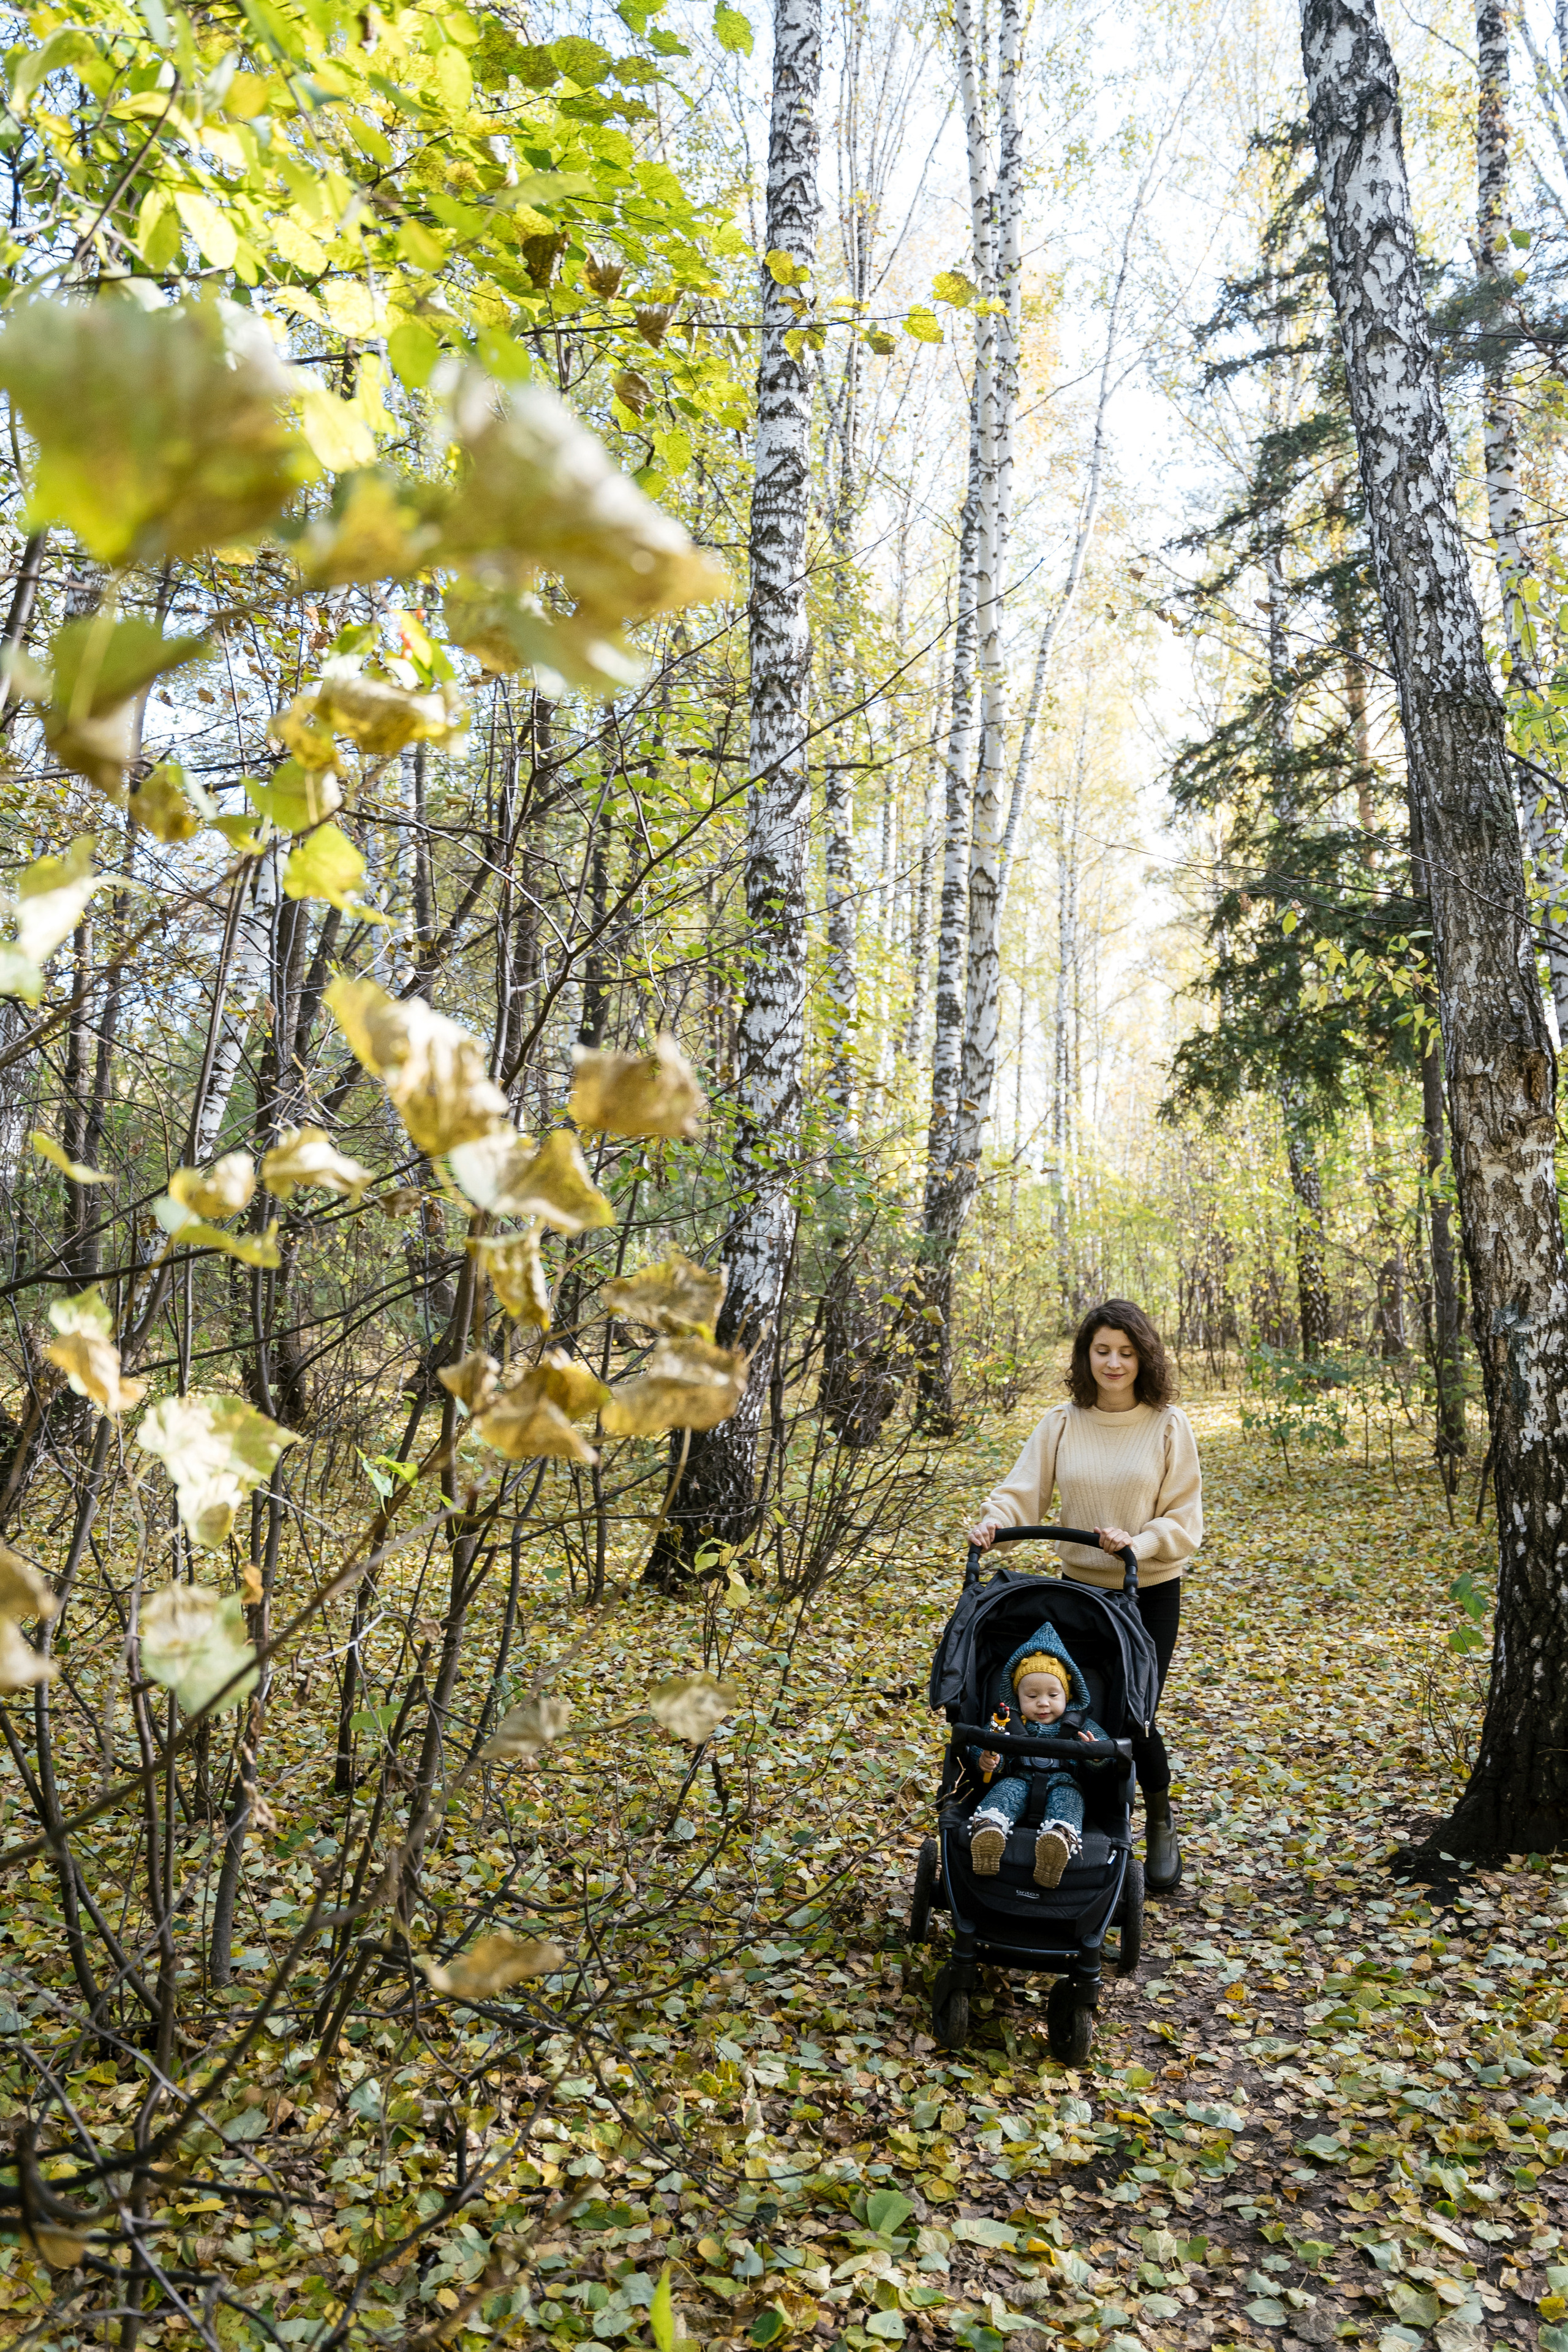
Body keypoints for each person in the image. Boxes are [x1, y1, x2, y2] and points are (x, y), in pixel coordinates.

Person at [965, 1298, 1201, 1893]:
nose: (1114, 1363)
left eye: (1126, 1352)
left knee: (1133, 1715)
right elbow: (1024, 1489)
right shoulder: (1062, 1422)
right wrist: (994, 1523)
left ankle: (1160, 1819)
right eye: (1102, 1351)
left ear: (1143, 1356)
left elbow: (1184, 1515)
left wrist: (1139, 1543)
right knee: (1075, 1717)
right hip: (1079, 1597)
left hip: (1147, 1593)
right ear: (1086, 1355)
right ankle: (1071, 1823)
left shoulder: (1167, 1424)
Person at [968, 1626, 1110, 1889]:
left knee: (1069, 1801)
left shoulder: (1081, 1725)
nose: (1043, 1703)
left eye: (1053, 1696)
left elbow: (1107, 1758)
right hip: (1019, 1776)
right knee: (1004, 1793)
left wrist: (1097, 1754)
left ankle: (1058, 1840)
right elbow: (984, 1744)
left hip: (1064, 1781)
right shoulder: (1005, 1722)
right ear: (1017, 1698)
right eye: (1032, 1697)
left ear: (1067, 1695)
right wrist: (986, 1760)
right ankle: (989, 1830)